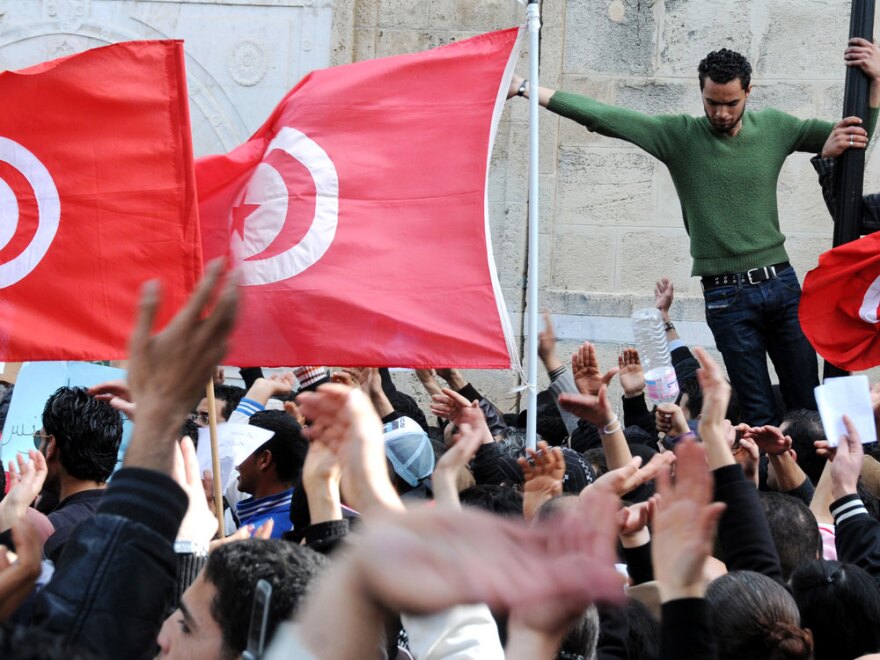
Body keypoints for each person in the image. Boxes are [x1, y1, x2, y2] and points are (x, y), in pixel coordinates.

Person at [510, 41, 880, 426]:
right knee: (758, 412)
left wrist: (874, 84)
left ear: (748, 92)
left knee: (808, 402)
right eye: (711, 102)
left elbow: (857, 136)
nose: (720, 113)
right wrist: (524, 88)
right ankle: (769, 484)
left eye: (731, 103)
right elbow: (603, 116)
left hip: (782, 284)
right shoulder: (679, 136)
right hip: (726, 298)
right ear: (701, 92)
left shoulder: (776, 127)